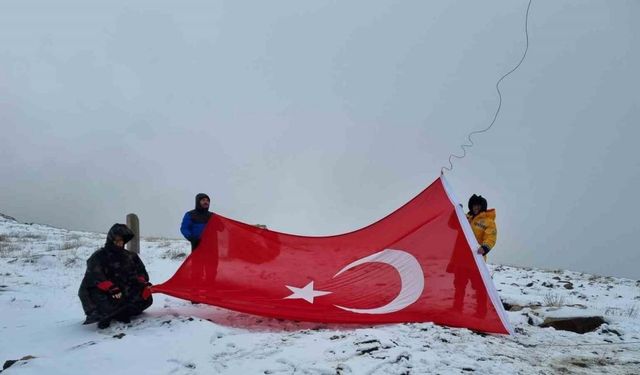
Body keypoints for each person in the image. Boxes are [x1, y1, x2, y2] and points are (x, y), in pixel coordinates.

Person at [78, 224, 153, 329]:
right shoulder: (98, 256)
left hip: (123, 291)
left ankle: (122, 312)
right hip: (107, 292)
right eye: (116, 240)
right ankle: (104, 315)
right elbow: (94, 276)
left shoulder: (130, 256)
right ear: (110, 240)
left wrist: (143, 282)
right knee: (94, 293)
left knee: (146, 297)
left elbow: (141, 272)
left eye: (121, 241)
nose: (119, 243)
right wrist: (110, 287)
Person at [466, 194, 497, 260]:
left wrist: (485, 247)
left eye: (478, 205)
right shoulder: (466, 218)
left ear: (482, 206)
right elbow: (452, 225)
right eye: (474, 205)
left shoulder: (489, 222)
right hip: (460, 252)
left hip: (476, 255)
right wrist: (456, 212)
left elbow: (491, 237)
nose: (476, 207)